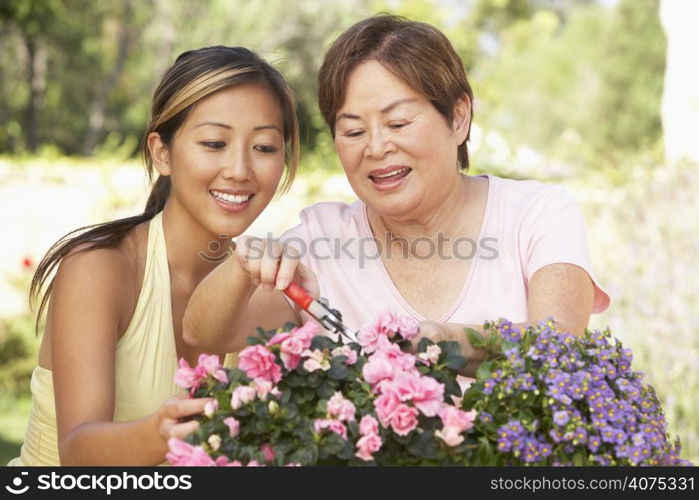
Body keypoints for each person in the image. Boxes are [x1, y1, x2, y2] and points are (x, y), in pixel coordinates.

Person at [182, 15, 609, 377]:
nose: (376, 147)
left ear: (458, 118)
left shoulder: (537, 215)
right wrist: (242, 268)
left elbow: (558, 346)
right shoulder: (322, 240)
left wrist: (449, 342)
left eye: (398, 122)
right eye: (352, 131)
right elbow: (204, 334)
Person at [8, 45, 299, 466]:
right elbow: (77, 452)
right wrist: (160, 434)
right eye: (215, 143)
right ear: (162, 152)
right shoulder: (101, 269)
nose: (240, 169)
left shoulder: (272, 299)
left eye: (265, 148)